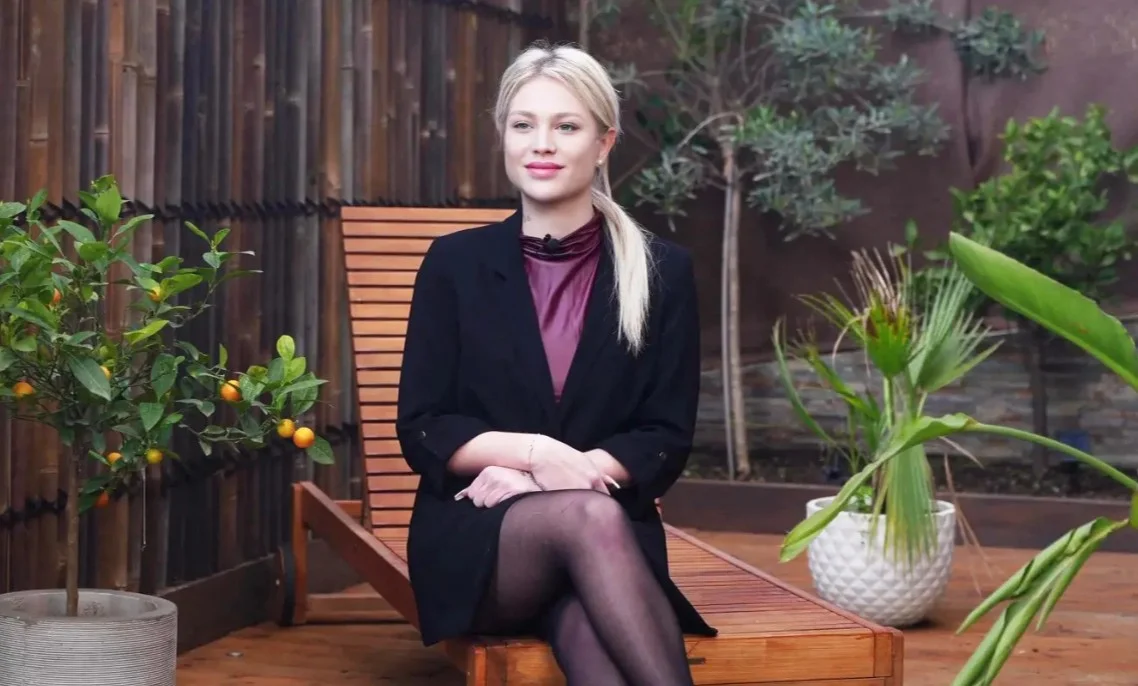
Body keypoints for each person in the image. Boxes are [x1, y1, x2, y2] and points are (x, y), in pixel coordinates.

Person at [395, 40, 716, 686]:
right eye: (524, 125)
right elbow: (423, 425)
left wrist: (551, 484)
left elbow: (664, 435)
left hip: (607, 532)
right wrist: (537, 455)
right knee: (588, 519)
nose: (541, 144)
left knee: (589, 618)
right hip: (478, 531)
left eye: (566, 126)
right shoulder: (454, 264)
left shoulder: (662, 271)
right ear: (504, 137)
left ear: (603, 144)